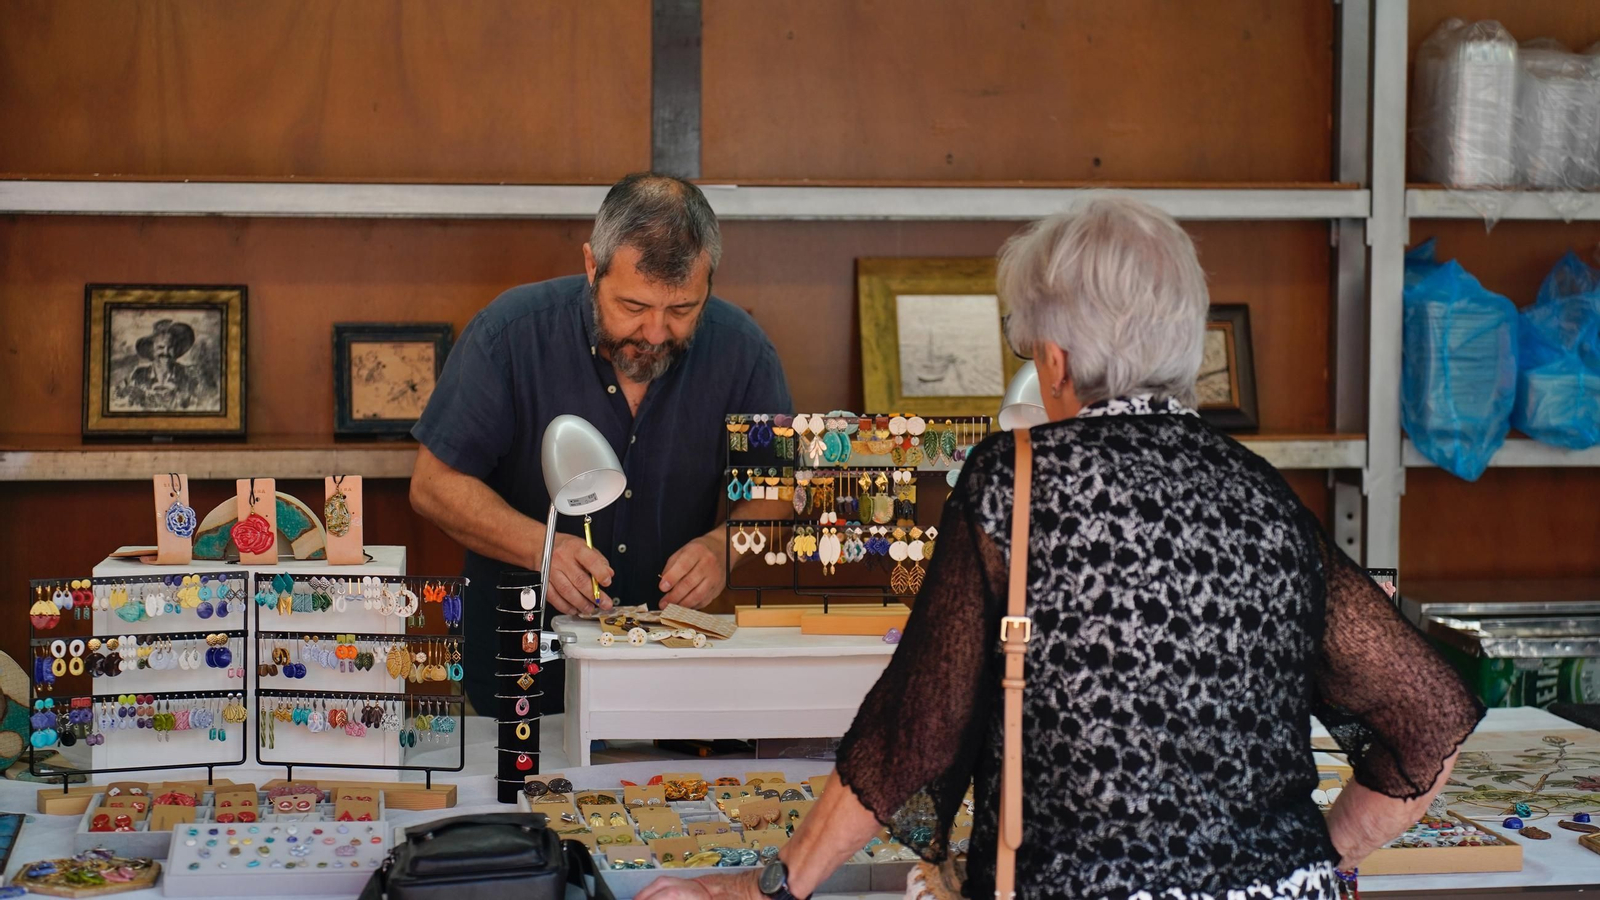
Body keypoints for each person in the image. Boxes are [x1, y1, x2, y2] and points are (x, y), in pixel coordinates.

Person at [637, 197, 1485, 900]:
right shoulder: (1262, 493)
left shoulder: (1017, 481)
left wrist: (766, 887)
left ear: (1055, 358)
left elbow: (913, 731)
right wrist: (1313, 858)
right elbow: (1431, 720)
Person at [410, 173, 792, 714]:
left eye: (682, 310)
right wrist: (540, 548)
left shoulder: (744, 354)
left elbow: (778, 493)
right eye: (633, 307)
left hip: (670, 674)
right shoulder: (510, 335)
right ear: (593, 266)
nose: (656, 333)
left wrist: (723, 550)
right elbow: (433, 485)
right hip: (516, 666)